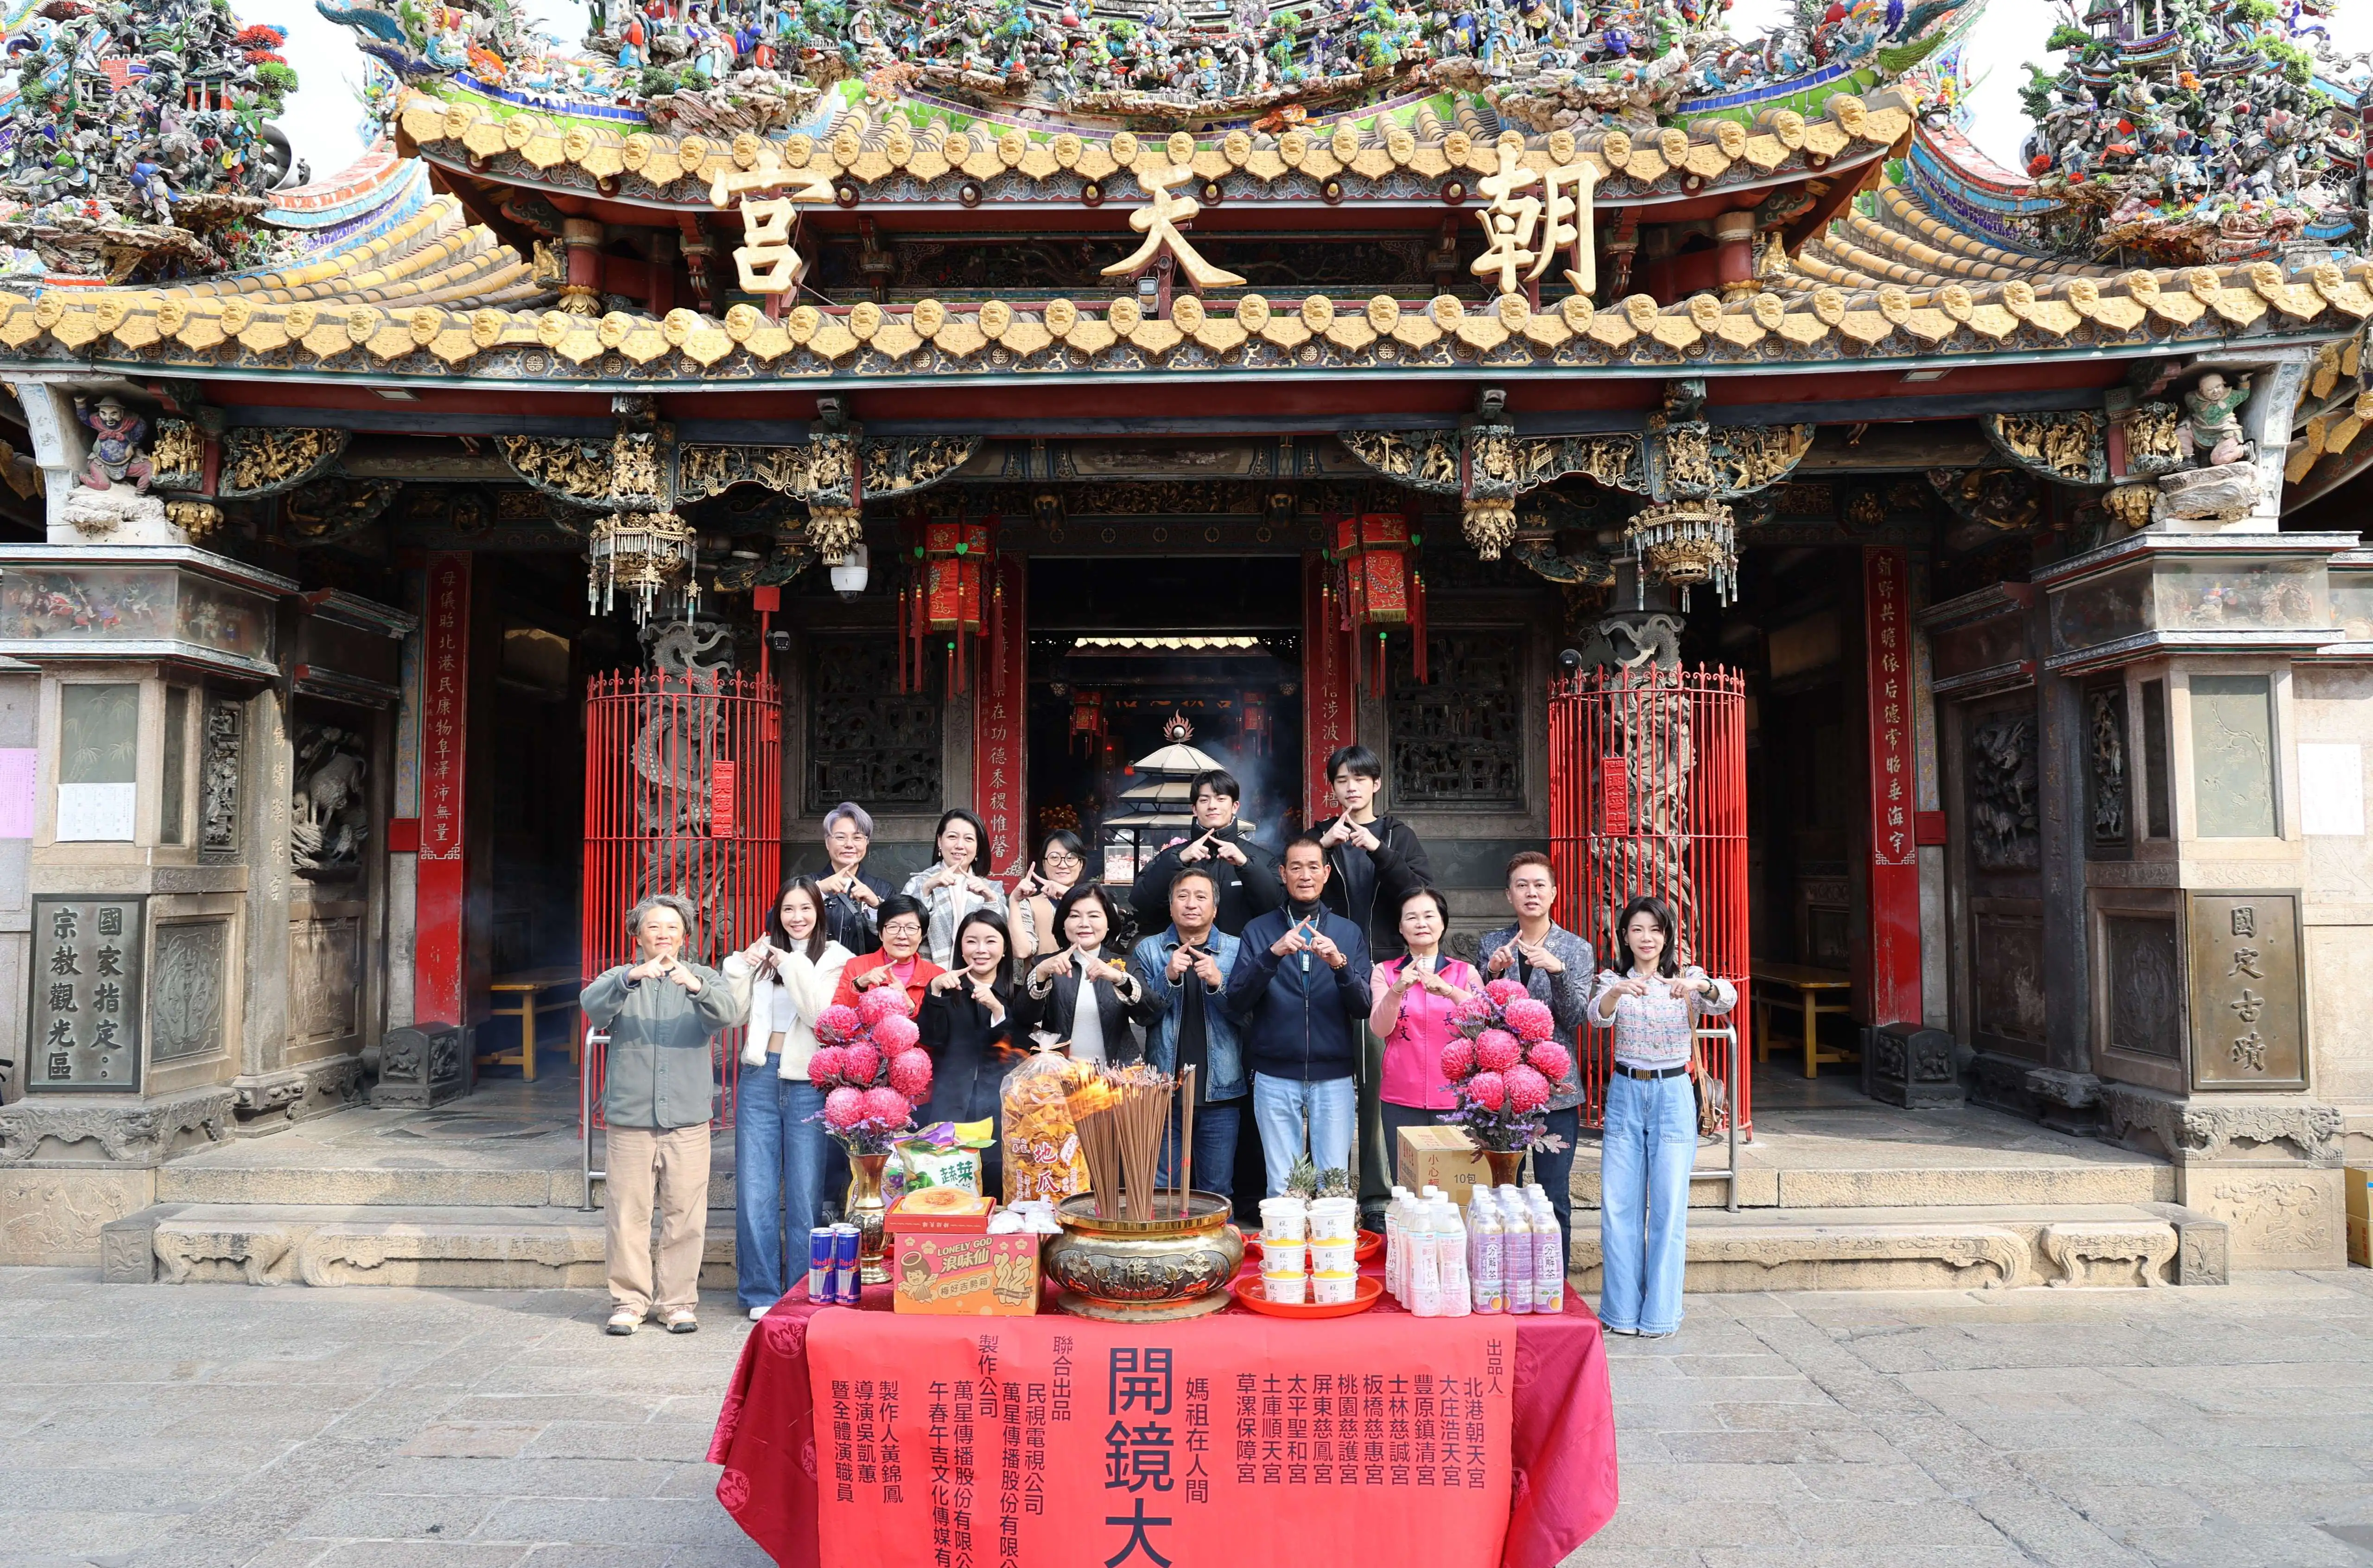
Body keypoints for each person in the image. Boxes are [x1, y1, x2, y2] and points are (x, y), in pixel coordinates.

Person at [580, 893, 743, 1336]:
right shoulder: (621, 977)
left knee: (685, 1213)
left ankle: (677, 1303)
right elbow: (592, 1006)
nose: (663, 934)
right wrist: (631, 977)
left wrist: (694, 986)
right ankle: (629, 1302)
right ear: (638, 936)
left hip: (688, 1119)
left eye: (672, 927)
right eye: (653, 927)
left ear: (685, 937)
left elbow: (729, 1014)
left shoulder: (703, 976)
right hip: (630, 1118)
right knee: (627, 1213)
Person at [1588, 893, 1736, 1340]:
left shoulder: (1687, 978)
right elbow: (1595, 1018)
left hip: (1673, 1094)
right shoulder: (1612, 978)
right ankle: (1619, 1311)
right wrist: (1614, 992)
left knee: (1669, 1206)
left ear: (1667, 935)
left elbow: (1726, 998)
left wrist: (1701, 987)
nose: (1646, 938)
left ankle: (1659, 1315)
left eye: (1655, 929)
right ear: (1625, 936)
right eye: (1637, 929)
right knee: (1619, 1206)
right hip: (1627, 1093)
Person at [1313, 744, 1434, 1223]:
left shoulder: (1396, 835)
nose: (1350, 788)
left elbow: (1419, 893)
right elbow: (1290, 884)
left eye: (1359, 780)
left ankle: (1377, 1197)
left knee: (1379, 1084)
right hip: (1330, 970)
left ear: (1375, 784)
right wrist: (1324, 847)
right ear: (1333, 787)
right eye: (1341, 780)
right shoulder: (1319, 838)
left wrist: (1377, 849)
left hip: (1384, 972)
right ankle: (1330, 1194)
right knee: (1329, 1085)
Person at [721, 877, 851, 1321]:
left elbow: (822, 1018)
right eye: (788, 910)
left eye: (806, 909)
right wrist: (740, 967)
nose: (797, 918)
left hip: (807, 1081)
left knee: (805, 1190)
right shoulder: (763, 957)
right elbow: (735, 1015)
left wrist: (793, 964)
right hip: (759, 1075)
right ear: (778, 914)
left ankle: (800, 1288)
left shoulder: (837, 959)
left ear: (820, 913)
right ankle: (759, 1289)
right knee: (755, 1188)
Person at [1227, 834, 1372, 1196]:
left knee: (1333, 1184)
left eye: (1312, 867)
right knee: (1282, 1187)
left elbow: (1364, 1006)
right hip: (1275, 1074)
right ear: (1282, 874)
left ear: (1325, 874)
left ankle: (1330, 1254)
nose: (1304, 875)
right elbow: (1237, 1001)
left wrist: (1339, 964)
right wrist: (1272, 955)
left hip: (1334, 1075)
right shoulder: (1259, 930)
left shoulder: (1347, 932)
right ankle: (1287, 1254)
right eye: (1296, 867)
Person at [1476, 851, 1596, 1262]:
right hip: (1503, 1094)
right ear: (1509, 895)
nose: (1531, 893)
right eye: (1522, 886)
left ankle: (1553, 1283)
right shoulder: (1493, 944)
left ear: (1554, 894)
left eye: (1539, 885)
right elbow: (1478, 1019)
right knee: (1506, 1192)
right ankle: (1508, 1275)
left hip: (1556, 1093)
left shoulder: (1576, 949)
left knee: (1552, 1196)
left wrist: (1558, 972)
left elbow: (1577, 1017)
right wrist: (1491, 975)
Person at [1130, 864, 1247, 1203]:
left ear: (1215, 907)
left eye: (1201, 897)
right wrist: (1167, 977)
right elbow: (1142, 1015)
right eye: (1183, 896)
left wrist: (1218, 982)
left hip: (1221, 1091)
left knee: (1217, 1190)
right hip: (1164, 1091)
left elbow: (1248, 1016)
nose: (1191, 904)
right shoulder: (1149, 951)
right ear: (1171, 907)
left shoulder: (1236, 950)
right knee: (1163, 1187)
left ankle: (1211, 1256)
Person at [1369, 884, 1481, 1163]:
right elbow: (1380, 1029)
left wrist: (1449, 991)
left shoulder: (1465, 972)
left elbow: (1485, 1022)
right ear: (1401, 927)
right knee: (1407, 1186)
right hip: (1401, 1097)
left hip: (1456, 1099)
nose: (1421, 924)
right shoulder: (1385, 972)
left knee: (1454, 1186)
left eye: (1429, 916)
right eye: (1412, 917)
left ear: (1443, 923)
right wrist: (1397, 989)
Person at [919, 909, 1021, 1196]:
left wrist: (998, 1010)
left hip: (1001, 1115)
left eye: (991, 941)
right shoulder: (948, 991)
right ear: (960, 948)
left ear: (1004, 950)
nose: (981, 950)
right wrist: (935, 994)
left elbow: (1021, 1053)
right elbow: (930, 1039)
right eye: (971, 941)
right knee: (949, 1195)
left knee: (997, 1192)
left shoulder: (1018, 994)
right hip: (951, 1110)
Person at [1126, 767, 1282, 938]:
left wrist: (1247, 866)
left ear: (1235, 806)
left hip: (1242, 958)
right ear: (1194, 809)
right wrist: (1178, 862)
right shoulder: (1173, 856)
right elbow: (1142, 903)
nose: (1212, 806)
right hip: (1179, 957)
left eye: (1221, 799)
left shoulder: (1260, 858)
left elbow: (1276, 910)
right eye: (1204, 800)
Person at [1017, 885, 1156, 1065]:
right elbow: (1024, 1018)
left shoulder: (1126, 965)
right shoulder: (1045, 964)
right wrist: (1041, 974)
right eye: (1074, 916)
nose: (1084, 923)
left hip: (1116, 1078)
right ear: (1063, 923)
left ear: (1108, 924)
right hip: (1059, 1077)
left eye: (1094, 916)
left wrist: (1119, 979)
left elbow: (1148, 1015)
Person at [901, 808, 1003, 970]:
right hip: (929, 976)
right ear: (940, 842)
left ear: (978, 848)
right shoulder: (918, 883)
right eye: (952, 837)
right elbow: (904, 935)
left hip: (978, 980)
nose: (960, 846)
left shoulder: (992, 889)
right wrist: (927, 889)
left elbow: (1003, 939)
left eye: (969, 839)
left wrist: (991, 900)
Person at [831, 894, 945, 1012]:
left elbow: (939, 1026)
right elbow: (835, 1019)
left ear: (921, 936)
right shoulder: (856, 966)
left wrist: (909, 1005)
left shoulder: (937, 976)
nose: (902, 936)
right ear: (881, 934)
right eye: (893, 927)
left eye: (911, 928)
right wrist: (858, 985)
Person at [816, 802, 893, 956]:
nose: (849, 844)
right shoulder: (805, 885)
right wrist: (817, 891)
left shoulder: (883, 889)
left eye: (857, 837)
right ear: (827, 842)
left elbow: (897, 940)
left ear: (867, 842)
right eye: (840, 837)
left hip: (866, 977)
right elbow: (773, 922)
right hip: (817, 976)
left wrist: (876, 906)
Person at [1009, 828, 1090, 960]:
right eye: (1054, 858)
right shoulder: (1029, 905)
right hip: (1044, 979)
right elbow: (1021, 952)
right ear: (1044, 864)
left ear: (1081, 864)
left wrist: (1068, 894)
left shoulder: (1096, 901)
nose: (1063, 865)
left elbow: (1111, 938)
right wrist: (1014, 901)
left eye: (1071, 858)